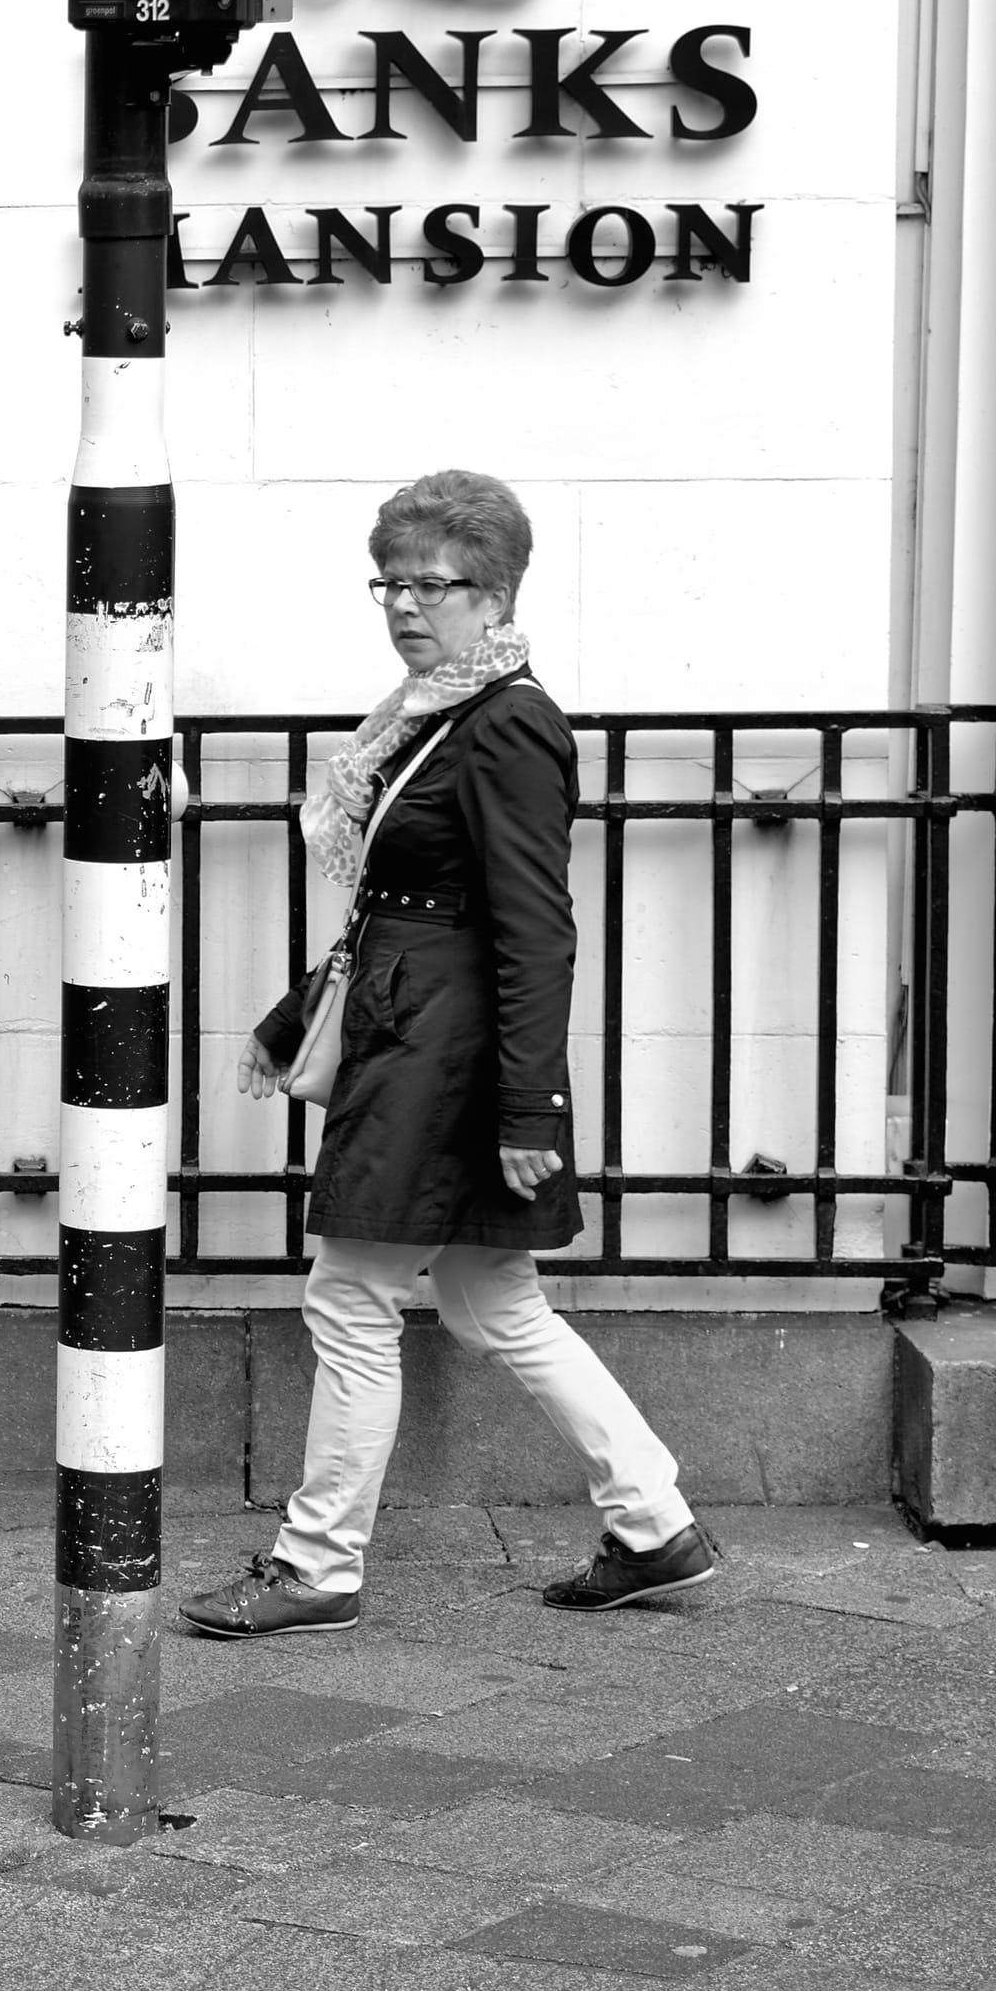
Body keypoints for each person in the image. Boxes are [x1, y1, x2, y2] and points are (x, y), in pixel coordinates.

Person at [187, 470, 721, 1639]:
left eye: (437, 583)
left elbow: (536, 926)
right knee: (492, 1299)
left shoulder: (508, 722)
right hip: (420, 1030)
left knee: (353, 1292)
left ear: (497, 594)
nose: (407, 604)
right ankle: (655, 1526)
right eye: (393, 580)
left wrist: (533, 1106)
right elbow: (400, 906)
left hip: (446, 1053)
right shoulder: (435, 710)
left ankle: (317, 1564)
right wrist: (300, 1013)